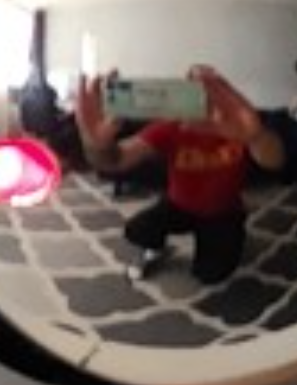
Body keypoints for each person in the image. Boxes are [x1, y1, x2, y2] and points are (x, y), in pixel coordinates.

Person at [76, 67, 286, 285]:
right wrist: (96, 145)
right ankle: (157, 249)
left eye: (210, 88)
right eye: (193, 89)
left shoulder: (238, 126)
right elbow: (116, 160)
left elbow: (275, 161)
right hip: (178, 206)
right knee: (136, 230)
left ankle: (226, 241)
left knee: (210, 274)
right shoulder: (170, 127)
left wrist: (256, 137)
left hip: (224, 212)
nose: (203, 97)